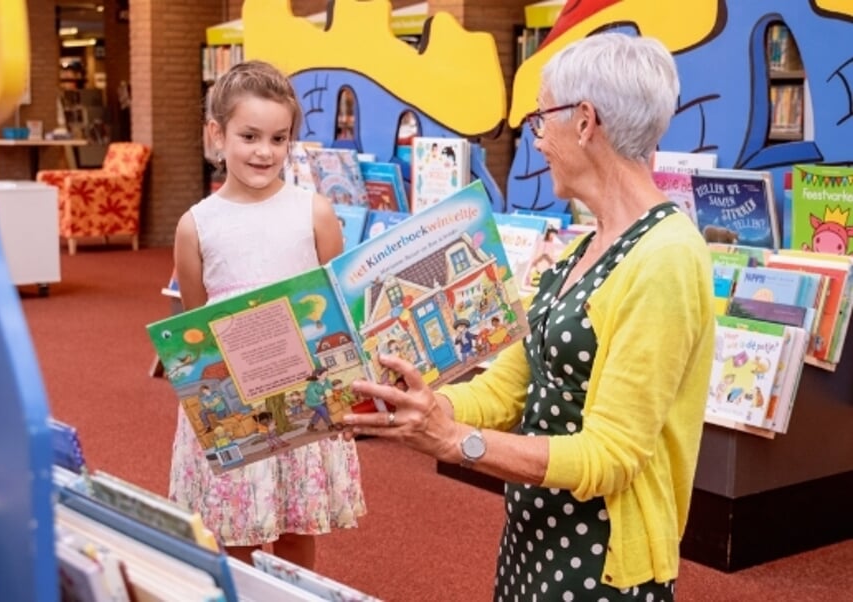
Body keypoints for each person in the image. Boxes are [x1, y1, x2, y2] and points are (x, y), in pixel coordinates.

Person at [344, 33, 715, 601]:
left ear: (585, 121)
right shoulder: (579, 248)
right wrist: (418, 407)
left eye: (541, 120)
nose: (536, 140)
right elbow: (507, 389)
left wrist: (455, 441)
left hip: (604, 564)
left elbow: (610, 457)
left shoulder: (666, 257)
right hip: (536, 538)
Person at [170, 60, 365, 569]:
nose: (264, 151)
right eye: (249, 136)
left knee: (297, 526)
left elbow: (339, 310)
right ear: (217, 135)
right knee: (230, 531)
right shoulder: (196, 225)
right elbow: (196, 318)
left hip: (303, 393)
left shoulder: (314, 211)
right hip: (232, 400)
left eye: (278, 139)